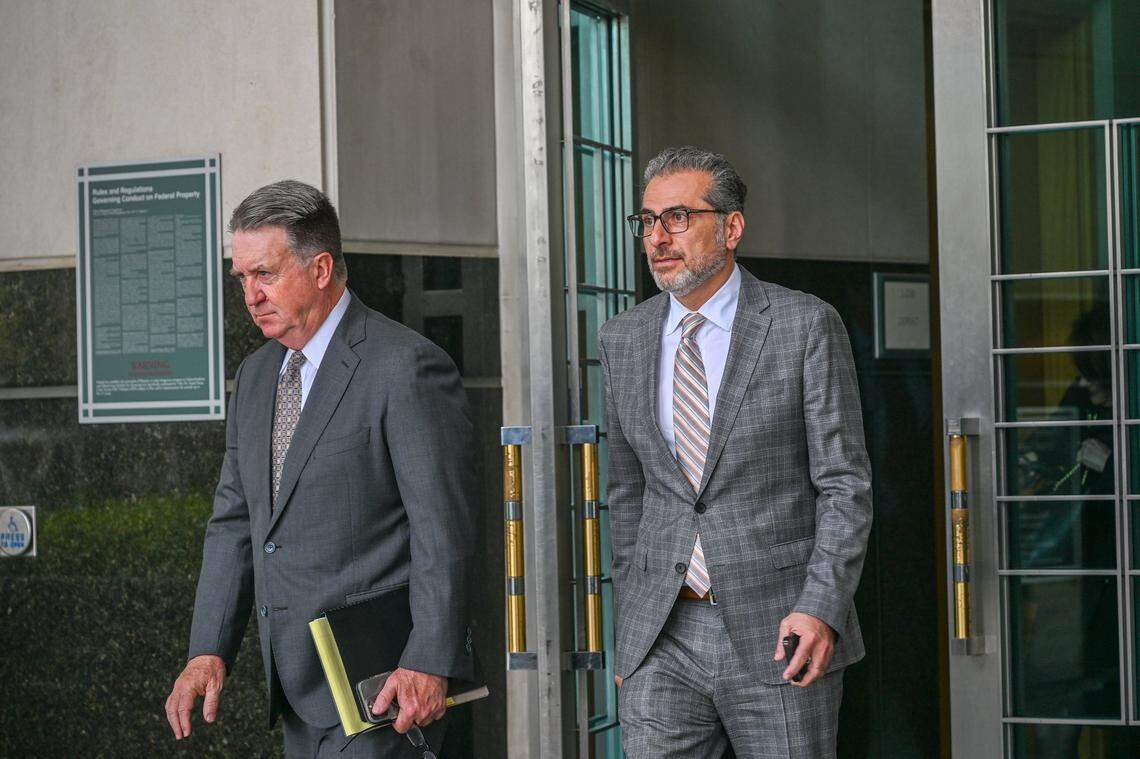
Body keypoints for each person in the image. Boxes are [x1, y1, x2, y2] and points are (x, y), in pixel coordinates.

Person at [164, 180, 477, 757]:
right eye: (241, 278)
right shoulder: (256, 376)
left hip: (386, 689)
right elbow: (235, 523)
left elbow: (443, 529)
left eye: (265, 274)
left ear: (321, 268)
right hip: (295, 689)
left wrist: (430, 661)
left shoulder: (405, 366)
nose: (251, 295)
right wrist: (208, 649)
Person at [598, 147, 872, 758]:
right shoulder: (623, 338)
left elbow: (844, 485)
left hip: (781, 629)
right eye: (647, 220)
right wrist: (631, 630)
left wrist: (821, 607)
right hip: (662, 636)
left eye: (678, 217)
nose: (658, 237)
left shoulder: (804, 325)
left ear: (731, 228)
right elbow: (627, 493)